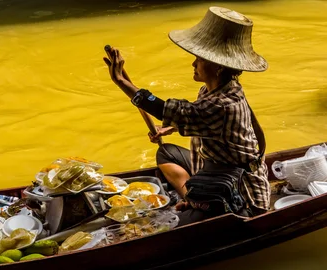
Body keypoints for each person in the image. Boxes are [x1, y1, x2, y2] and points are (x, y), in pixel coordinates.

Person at [104, 6, 271, 226]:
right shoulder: (220, 88)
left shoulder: (223, 105)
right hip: (214, 168)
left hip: (239, 193)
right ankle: (192, 198)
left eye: (199, 59)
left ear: (218, 67)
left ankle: (197, 204)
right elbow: (198, 118)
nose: (193, 64)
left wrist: (122, 83)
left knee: (174, 226)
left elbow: (173, 111)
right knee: (166, 152)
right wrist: (171, 128)